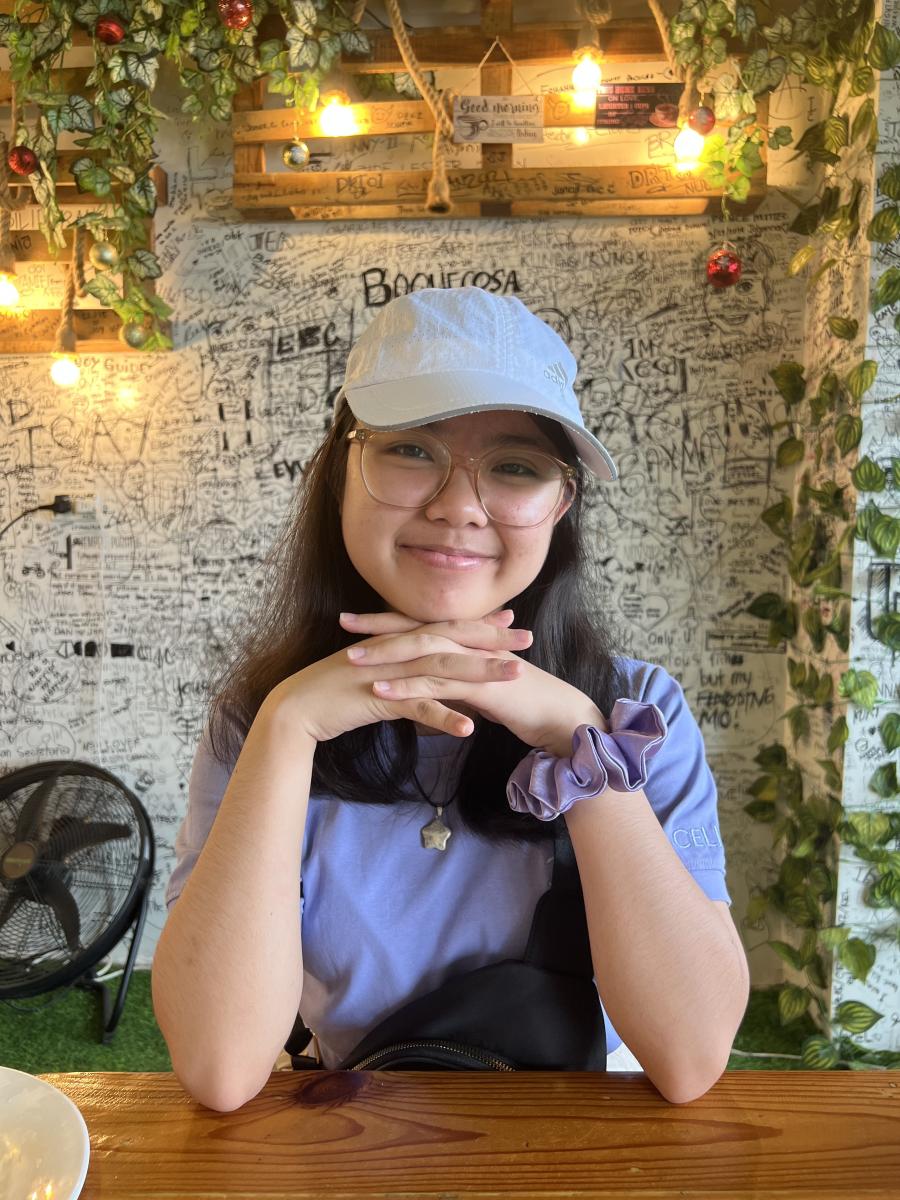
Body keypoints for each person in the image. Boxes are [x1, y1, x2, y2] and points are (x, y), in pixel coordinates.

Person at [152, 286, 750, 1112]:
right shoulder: (259, 716)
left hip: (581, 1149)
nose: (458, 507)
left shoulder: (635, 712)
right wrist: (289, 728)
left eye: (515, 467)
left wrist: (578, 738)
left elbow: (689, 1058)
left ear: (560, 505)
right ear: (340, 474)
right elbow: (220, 1070)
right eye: (410, 450)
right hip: (351, 1141)